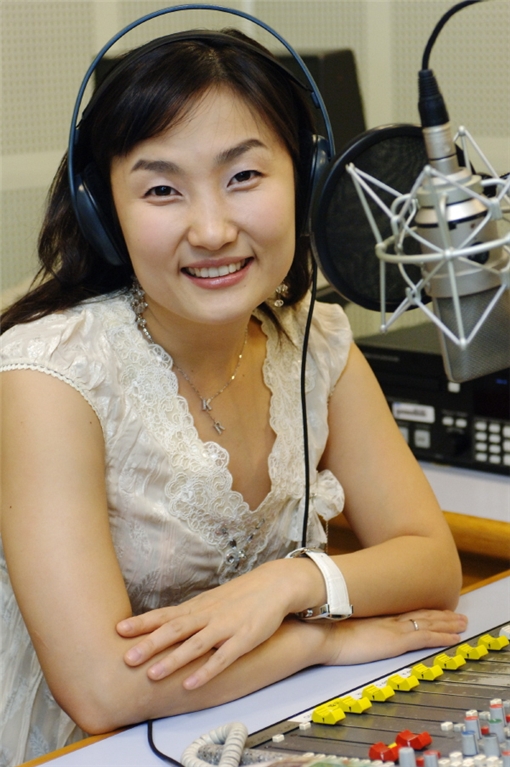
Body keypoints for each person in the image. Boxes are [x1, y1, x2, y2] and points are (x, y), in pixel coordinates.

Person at [0, 26, 465, 766]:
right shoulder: (48, 372)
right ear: (103, 212)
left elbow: (434, 565)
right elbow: (100, 689)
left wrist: (290, 583)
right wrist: (319, 639)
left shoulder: (316, 341)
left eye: (244, 176)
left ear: (306, 178)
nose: (213, 230)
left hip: (239, 723)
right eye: (161, 189)